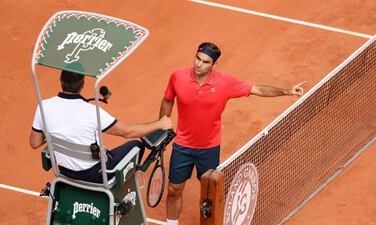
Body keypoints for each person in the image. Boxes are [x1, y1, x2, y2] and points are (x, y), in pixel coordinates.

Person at [160, 42, 305, 225]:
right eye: (197, 58)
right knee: (174, 189)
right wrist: (161, 126)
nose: (199, 64)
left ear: (213, 65)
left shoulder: (225, 83)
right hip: (182, 146)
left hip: (209, 148)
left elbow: (257, 89)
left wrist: (287, 91)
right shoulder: (178, 77)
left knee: (209, 196)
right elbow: (167, 99)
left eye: (205, 62)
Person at [30, 70, 172, 183]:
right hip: (95, 175)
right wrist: (160, 123)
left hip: (65, 172)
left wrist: (59, 132)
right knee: (136, 145)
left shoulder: (44, 106)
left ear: (61, 81)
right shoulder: (92, 112)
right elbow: (127, 132)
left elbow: (35, 143)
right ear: (82, 84)